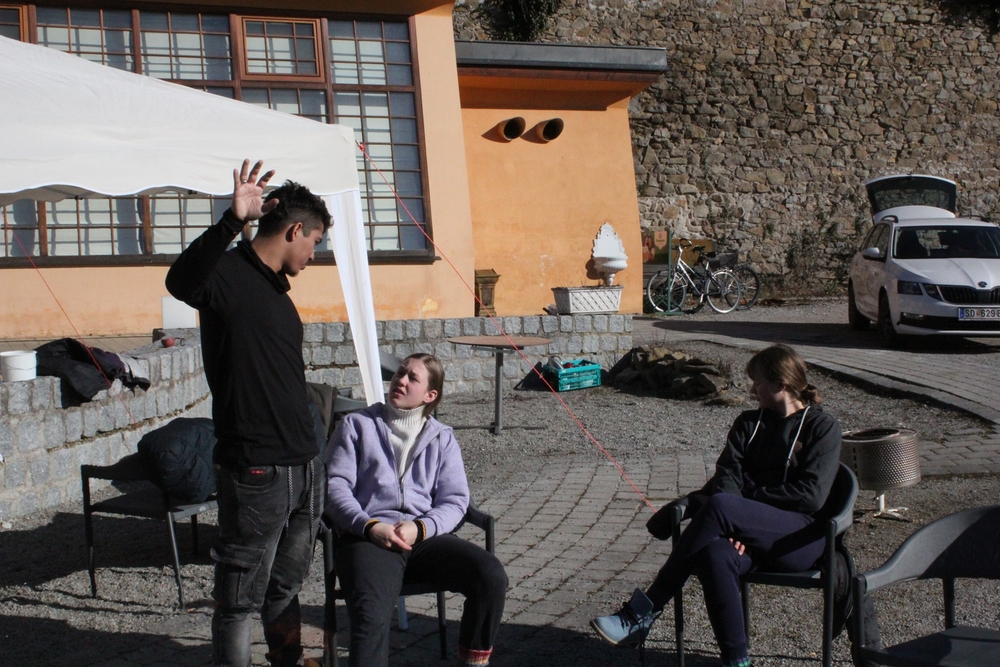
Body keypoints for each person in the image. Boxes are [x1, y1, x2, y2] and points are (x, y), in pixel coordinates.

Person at [166, 159, 331, 667]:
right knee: (239, 600)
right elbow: (180, 282)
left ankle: (287, 660)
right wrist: (231, 219)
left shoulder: (275, 288)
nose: (314, 253)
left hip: (304, 464)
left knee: (286, 585)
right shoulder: (227, 275)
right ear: (295, 230)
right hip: (257, 469)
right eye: (315, 241)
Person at [591, 344, 842, 667]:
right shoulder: (748, 423)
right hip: (747, 535)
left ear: (781, 384)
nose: (752, 390)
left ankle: (644, 611)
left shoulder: (822, 427)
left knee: (722, 506)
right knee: (715, 553)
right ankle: (736, 661)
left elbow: (811, 496)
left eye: (758, 382)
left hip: (798, 540)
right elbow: (727, 476)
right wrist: (739, 521)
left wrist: (739, 513)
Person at [325, 353, 508, 667]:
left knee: (490, 576)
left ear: (430, 395)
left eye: (412, 378)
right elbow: (333, 487)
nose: (400, 380)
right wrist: (368, 526)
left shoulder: (442, 438)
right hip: (369, 538)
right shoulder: (356, 425)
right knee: (371, 616)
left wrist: (420, 528)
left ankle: (472, 663)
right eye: (400, 373)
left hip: (423, 539)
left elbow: (455, 501)